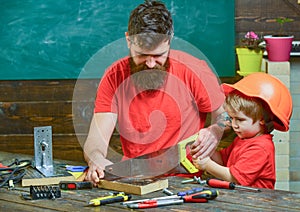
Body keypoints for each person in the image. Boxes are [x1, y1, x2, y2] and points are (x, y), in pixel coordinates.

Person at [84, 0, 227, 185]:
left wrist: (215, 130)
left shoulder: (194, 70)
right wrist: (96, 159)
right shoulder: (113, 76)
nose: (150, 64)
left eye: (158, 56)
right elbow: (96, 140)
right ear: (129, 40)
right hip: (135, 179)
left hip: (187, 180)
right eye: (142, 55)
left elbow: (225, 116)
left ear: (169, 41)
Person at [192, 72, 293, 189]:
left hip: (257, 203)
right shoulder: (242, 139)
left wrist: (207, 165)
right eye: (232, 118)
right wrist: (204, 148)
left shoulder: (261, 147)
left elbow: (234, 178)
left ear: (262, 119)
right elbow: (222, 161)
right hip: (242, 198)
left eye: (240, 119)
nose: (234, 125)